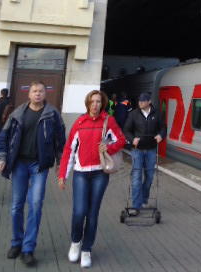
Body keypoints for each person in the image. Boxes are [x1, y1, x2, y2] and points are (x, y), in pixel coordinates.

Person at [0, 80, 66, 267]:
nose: (37, 94)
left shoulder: (52, 114)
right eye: (34, 91)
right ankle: (16, 243)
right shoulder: (17, 113)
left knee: (35, 204)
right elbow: (3, 138)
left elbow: (61, 141)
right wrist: (1, 158)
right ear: (29, 94)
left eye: (41, 91)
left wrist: (61, 165)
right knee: (16, 206)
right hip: (19, 164)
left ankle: (28, 248)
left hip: (39, 166)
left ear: (45, 93)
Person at [58, 90, 125, 269]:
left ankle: (86, 249)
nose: (95, 105)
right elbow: (69, 149)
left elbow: (121, 140)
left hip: (100, 173)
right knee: (79, 211)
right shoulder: (80, 122)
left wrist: (108, 147)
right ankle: (75, 242)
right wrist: (63, 174)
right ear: (87, 103)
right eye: (92, 101)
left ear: (102, 104)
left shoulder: (108, 121)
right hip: (80, 173)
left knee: (92, 213)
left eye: (98, 102)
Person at [124, 92, 166, 216]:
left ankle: (143, 198)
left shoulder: (157, 114)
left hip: (151, 149)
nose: (140, 103)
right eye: (139, 101)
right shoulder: (133, 114)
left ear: (149, 102)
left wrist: (161, 135)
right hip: (137, 150)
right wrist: (132, 139)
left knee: (149, 177)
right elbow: (126, 130)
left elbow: (163, 128)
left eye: (143, 101)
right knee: (136, 177)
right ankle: (136, 206)